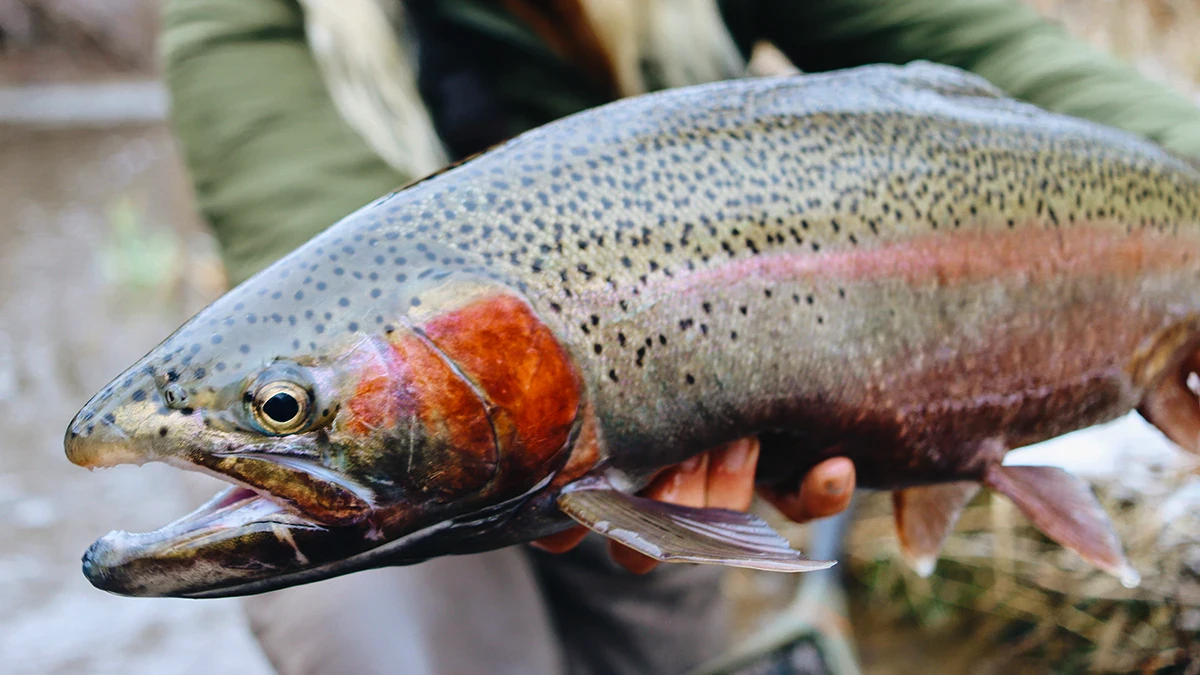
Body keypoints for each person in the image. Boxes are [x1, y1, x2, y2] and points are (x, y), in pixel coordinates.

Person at [159, 1, 1200, 673]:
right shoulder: (237, 17)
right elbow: (341, 286)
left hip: (647, 416)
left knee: (656, 638)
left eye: (279, 409)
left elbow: (990, 49)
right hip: (447, 440)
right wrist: (295, 411)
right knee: (395, 653)